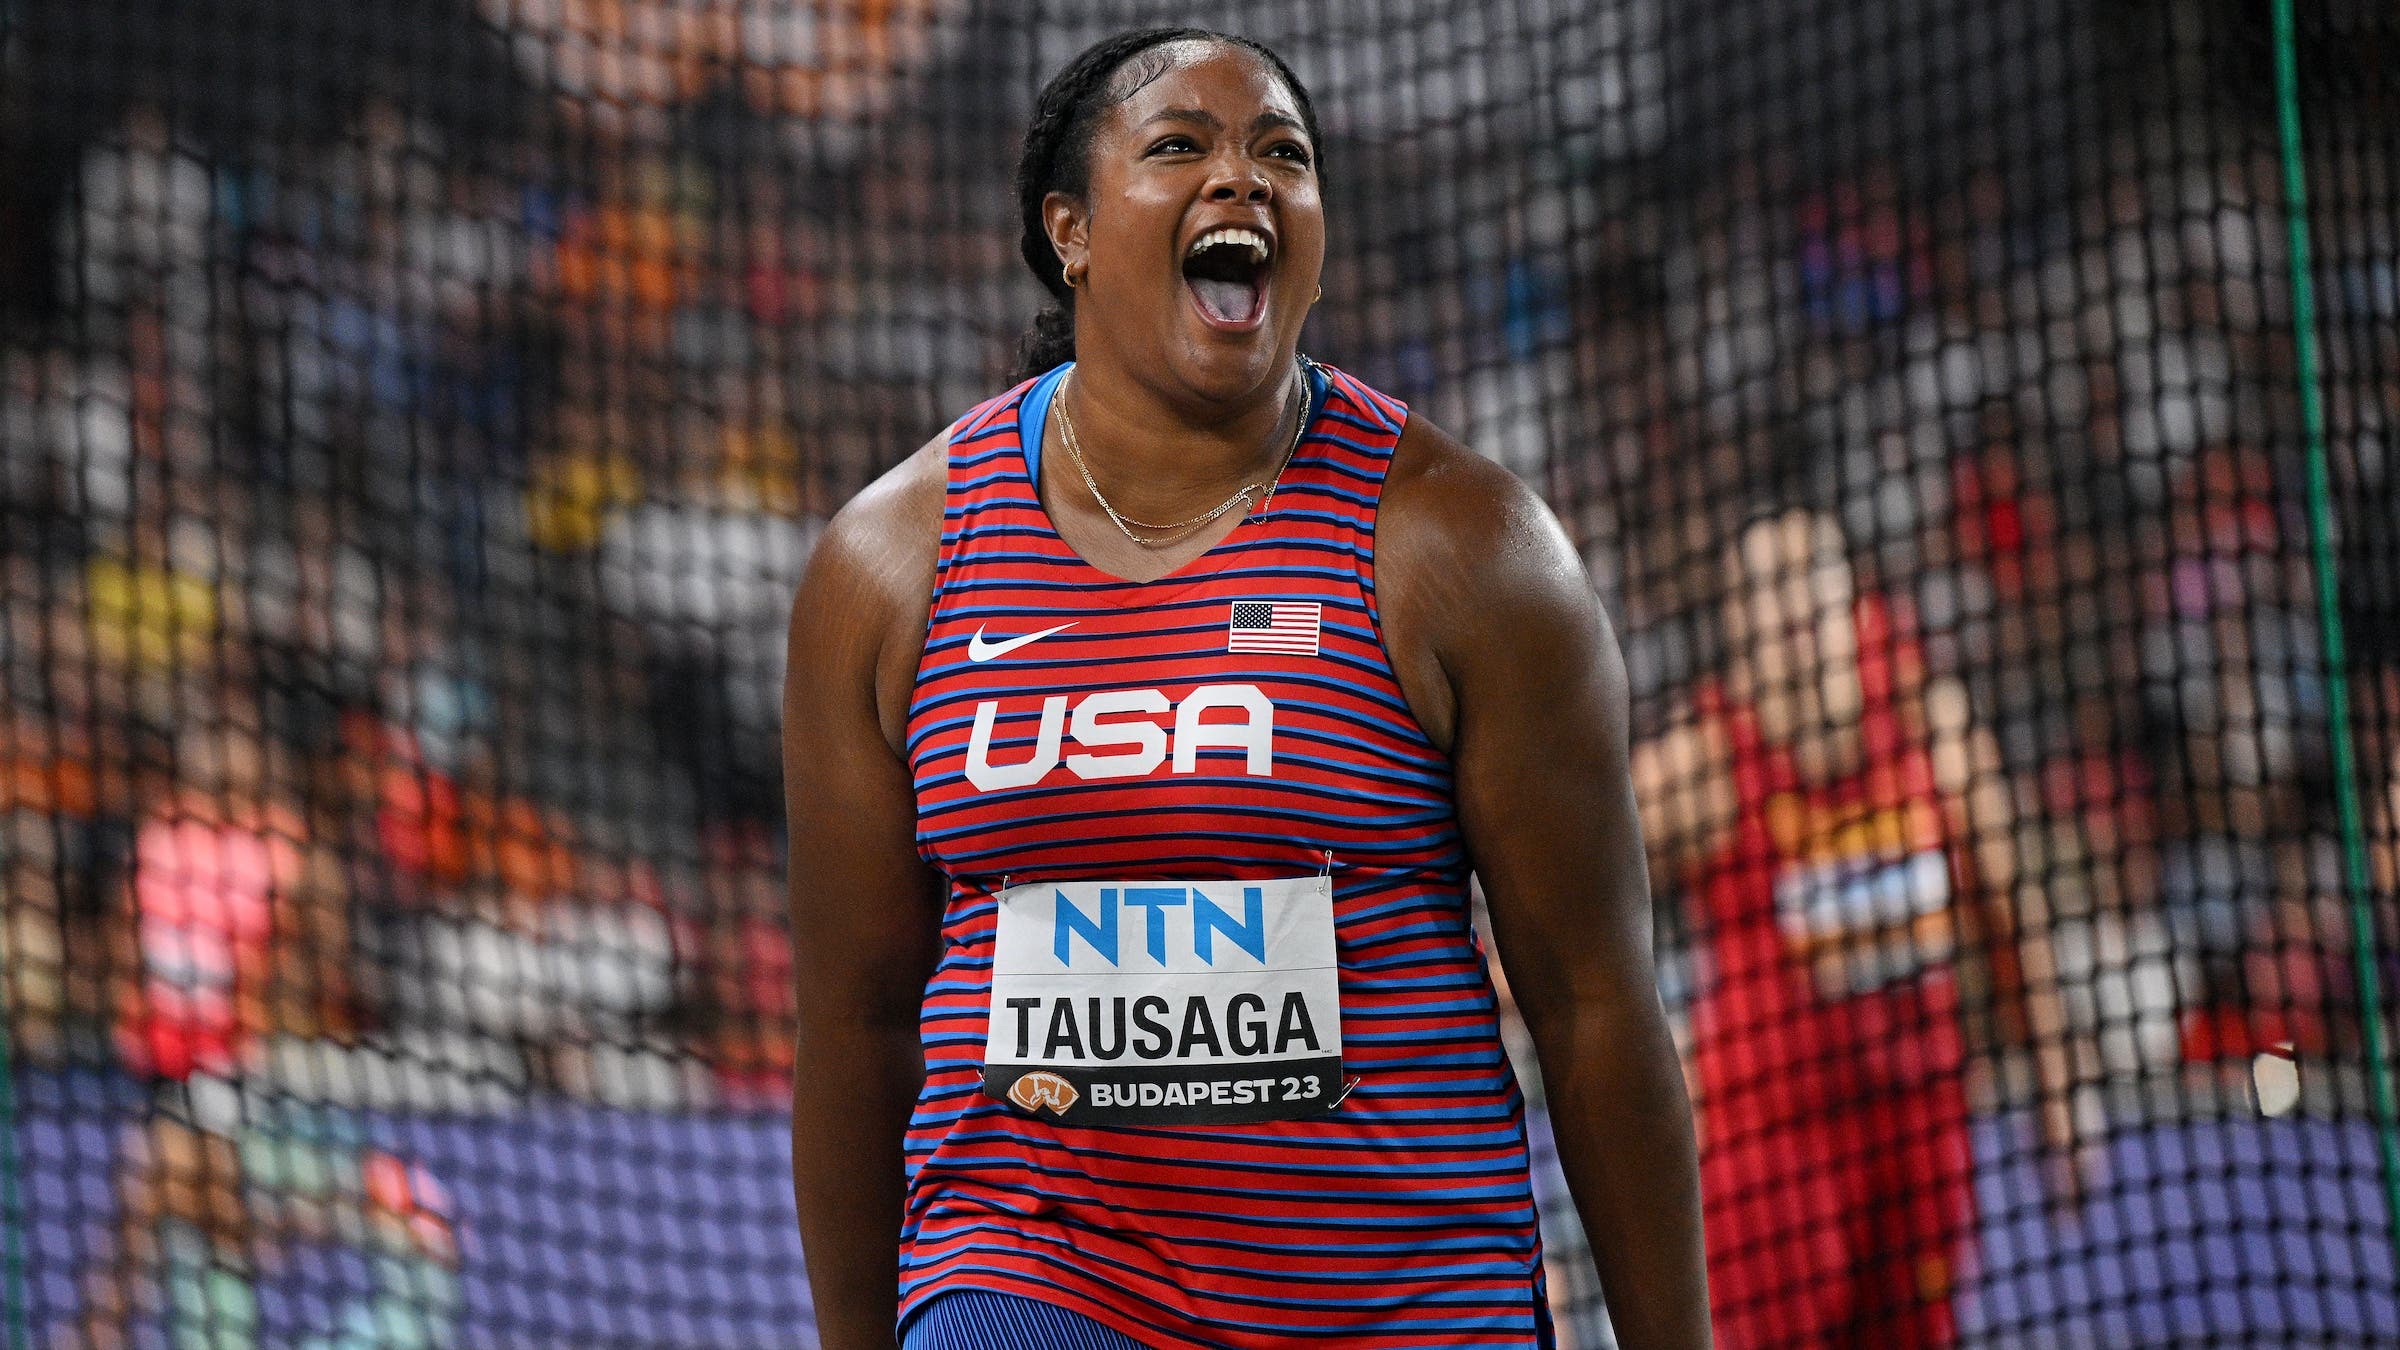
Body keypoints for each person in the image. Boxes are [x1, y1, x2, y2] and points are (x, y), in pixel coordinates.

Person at [783, 27, 1707, 1350]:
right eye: (1179, 148)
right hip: (1036, 1277)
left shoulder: (1468, 550)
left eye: (1285, 154)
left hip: (1401, 1301)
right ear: (1073, 230)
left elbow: (1592, 1001)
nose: (1244, 180)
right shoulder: (891, 567)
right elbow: (860, 1013)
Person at [1631, 506, 2061, 1349]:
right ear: (1737, 626)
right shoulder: (1706, 763)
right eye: (1766, 594)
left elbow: (2011, 908)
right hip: (1775, 1160)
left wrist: (2057, 1083)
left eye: (1809, 588)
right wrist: (1648, 1037)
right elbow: (1568, 881)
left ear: (1855, 605)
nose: (1793, 616)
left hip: (1922, 1131)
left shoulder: (1930, 726)